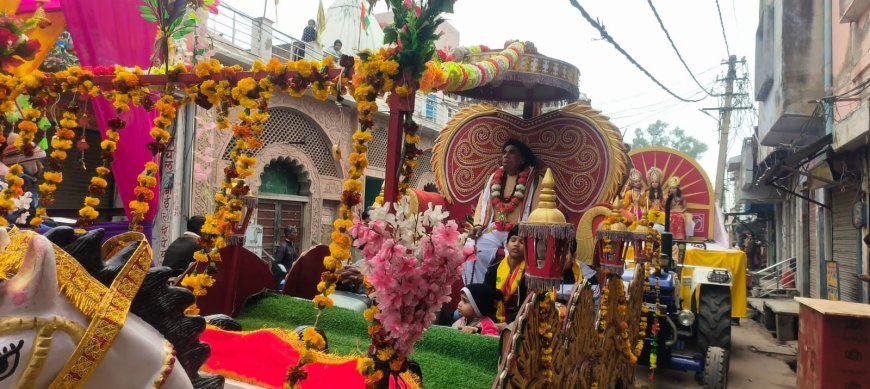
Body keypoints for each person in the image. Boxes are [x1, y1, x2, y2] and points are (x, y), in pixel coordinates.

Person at [465, 139, 540, 285]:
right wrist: (478, 225)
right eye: (504, 152)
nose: (506, 156)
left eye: (512, 153)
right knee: (472, 249)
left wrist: (527, 232)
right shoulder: (493, 178)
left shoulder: (535, 180)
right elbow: (482, 204)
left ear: (522, 159)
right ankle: (476, 292)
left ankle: (502, 296)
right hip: (494, 228)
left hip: (519, 232)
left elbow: (537, 210)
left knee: (515, 255)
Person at [485, 226, 527, 324]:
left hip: (517, 322)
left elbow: (527, 306)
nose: (516, 244)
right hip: (493, 319)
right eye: (513, 240)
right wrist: (493, 322)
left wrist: (509, 323)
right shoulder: (493, 271)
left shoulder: (529, 275)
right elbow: (486, 300)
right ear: (507, 245)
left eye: (521, 242)